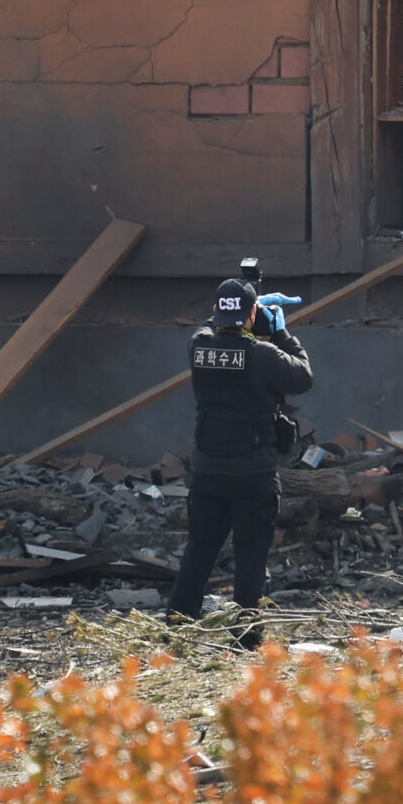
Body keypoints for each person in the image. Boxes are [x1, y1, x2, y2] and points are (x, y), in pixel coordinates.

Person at [168, 259, 313, 639]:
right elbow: (303, 376)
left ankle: (176, 630)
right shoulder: (264, 356)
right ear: (253, 315)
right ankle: (245, 640)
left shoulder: (198, 347)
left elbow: (210, 323)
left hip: (208, 471)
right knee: (251, 558)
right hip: (254, 474)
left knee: (199, 551)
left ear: (217, 311)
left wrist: (244, 303)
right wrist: (281, 332)